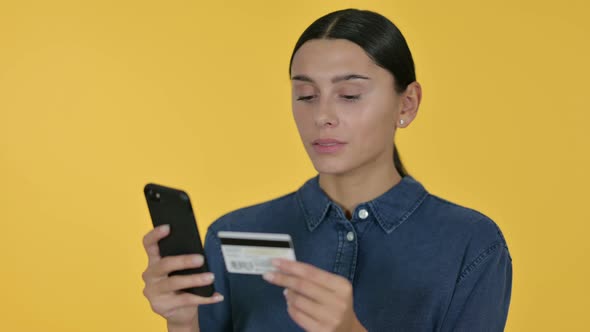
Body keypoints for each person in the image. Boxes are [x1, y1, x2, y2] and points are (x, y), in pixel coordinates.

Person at [141, 8, 512, 332]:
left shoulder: (472, 245)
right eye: (306, 95)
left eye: (349, 95)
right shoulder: (233, 233)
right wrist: (182, 322)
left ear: (408, 103)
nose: (322, 117)